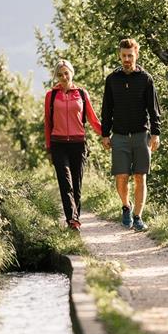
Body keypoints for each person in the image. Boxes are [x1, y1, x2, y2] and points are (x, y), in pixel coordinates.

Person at [100, 38, 161, 231]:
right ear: (120, 55)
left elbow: (153, 109)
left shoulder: (145, 79)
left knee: (140, 177)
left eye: (130, 55)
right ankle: (126, 206)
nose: (127, 59)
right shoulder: (112, 79)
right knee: (121, 177)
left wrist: (155, 133)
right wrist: (104, 134)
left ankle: (138, 216)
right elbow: (106, 109)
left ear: (136, 55)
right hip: (118, 136)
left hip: (141, 134)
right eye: (124, 56)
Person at [44, 59, 103, 232]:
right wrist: (48, 148)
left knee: (76, 184)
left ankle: (75, 217)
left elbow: (92, 119)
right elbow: (47, 123)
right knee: (65, 183)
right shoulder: (51, 96)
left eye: (66, 73)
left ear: (72, 73)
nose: (63, 77)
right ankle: (72, 220)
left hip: (78, 144)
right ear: (57, 76)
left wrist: (106, 135)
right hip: (58, 144)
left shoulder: (82, 94)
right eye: (60, 74)